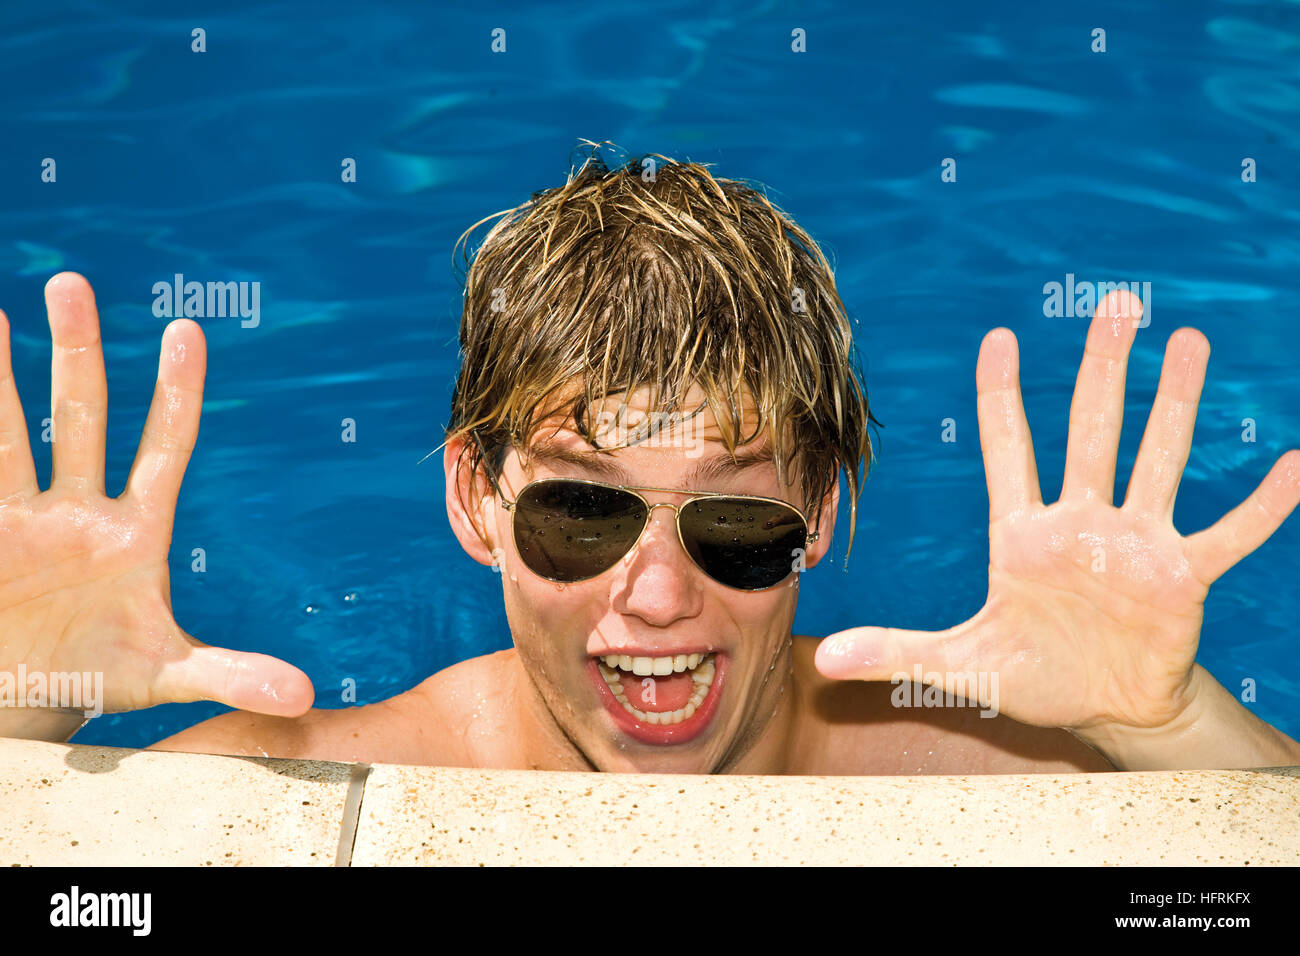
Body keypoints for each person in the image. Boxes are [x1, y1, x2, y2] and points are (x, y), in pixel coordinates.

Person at [1, 151, 1297, 775]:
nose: (661, 597)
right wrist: (23, 712)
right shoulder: (307, 779)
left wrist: (1169, 726)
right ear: (477, 500)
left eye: (734, 523)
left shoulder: (979, 759)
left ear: (823, 513)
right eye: (582, 517)